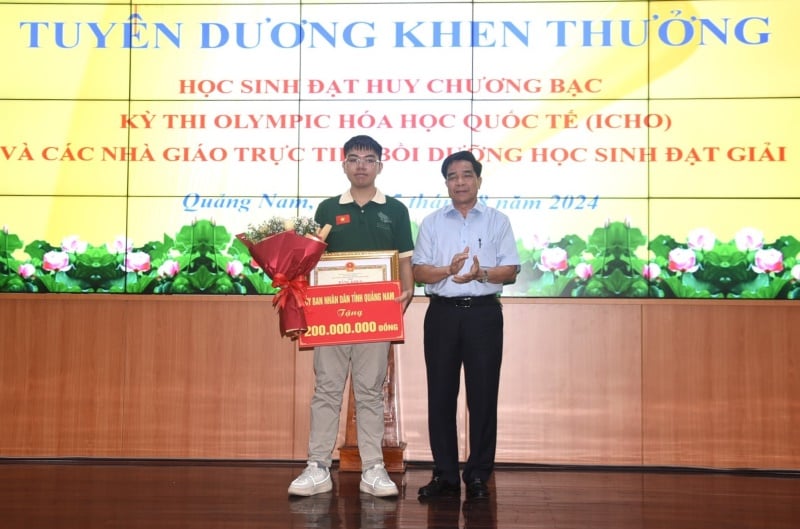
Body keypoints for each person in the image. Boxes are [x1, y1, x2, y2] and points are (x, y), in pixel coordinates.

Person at [288, 135, 414, 498]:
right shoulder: (327, 209)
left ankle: (373, 468)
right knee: (326, 389)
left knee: (370, 392)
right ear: (343, 165)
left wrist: (402, 298)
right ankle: (317, 466)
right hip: (332, 318)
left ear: (380, 165)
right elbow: (311, 261)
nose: (361, 165)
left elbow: (404, 260)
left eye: (369, 159)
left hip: (376, 317)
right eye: (354, 159)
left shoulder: (396, 210)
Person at [411, 150, 519, 500]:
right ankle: (444, 474)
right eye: (453, 176)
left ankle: (477, 475)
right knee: (441, 395)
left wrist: (480, 273)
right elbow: (418, 271)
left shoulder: (497, 221)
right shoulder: (431, 222)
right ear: (446, 183)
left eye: (467, 175)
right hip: (442, 314)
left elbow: (511, 270)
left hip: (484, 315)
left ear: (478, 181)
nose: (460, 181)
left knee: (483, 396)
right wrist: (448, 270)